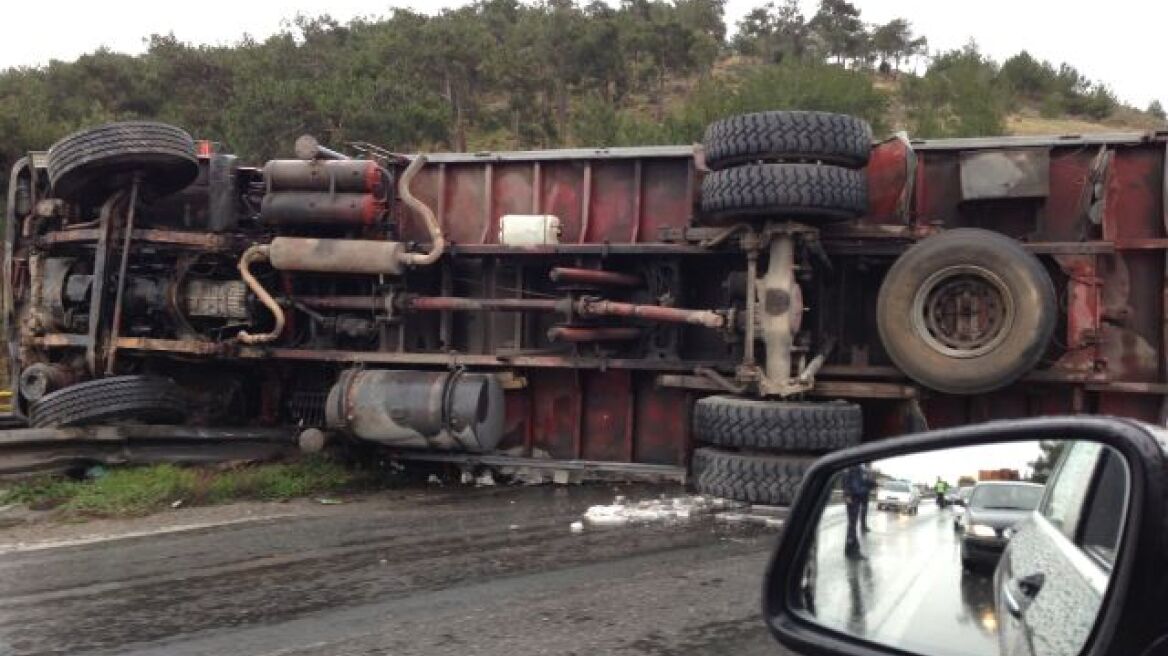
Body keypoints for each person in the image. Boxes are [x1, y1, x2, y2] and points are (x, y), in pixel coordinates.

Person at [842, 465, 868, 560]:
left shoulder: (861, 467)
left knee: (852, 524)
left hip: (856, 497)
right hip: (853, 497)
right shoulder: (854, 465)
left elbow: (862, 482)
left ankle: (850, 549)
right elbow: (846, 479)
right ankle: (852, 550)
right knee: (852, 524)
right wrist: (847, 494)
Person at [859, 464, 875, 533]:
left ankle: (863, 526)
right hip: (864, 494)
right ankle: (863, 526)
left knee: (861, 511)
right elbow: (868, 482)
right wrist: (875, 484)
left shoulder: (863, 471)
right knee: (863, 511)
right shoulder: (866, 472)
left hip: (860, 493)